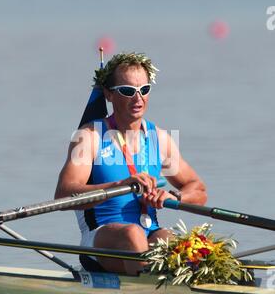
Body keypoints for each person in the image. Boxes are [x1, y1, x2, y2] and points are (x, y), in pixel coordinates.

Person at [55, 52, 207, 275]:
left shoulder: (159, 139)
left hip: (149, 233)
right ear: (108, 94)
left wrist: (173, 197)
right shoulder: (89, 137)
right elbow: (63, 195)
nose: (138, 98)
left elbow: (199, 190)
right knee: (133, 234)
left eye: (144, 90)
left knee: (172, 241)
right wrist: (119, 186)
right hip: (100, 238)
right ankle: (150, 293)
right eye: (127, 91)